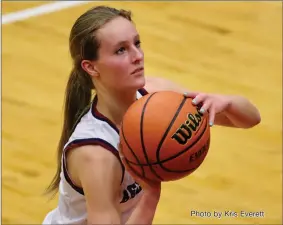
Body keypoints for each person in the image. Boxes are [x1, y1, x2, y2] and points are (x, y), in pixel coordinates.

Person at [43, 5, 261, 225]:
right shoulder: (96, 155)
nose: (138, 56)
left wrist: (228, 102)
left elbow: (251, 119)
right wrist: (151, 196)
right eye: (121, 50)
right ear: (91, 67)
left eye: (137, 44)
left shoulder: (155, 92)